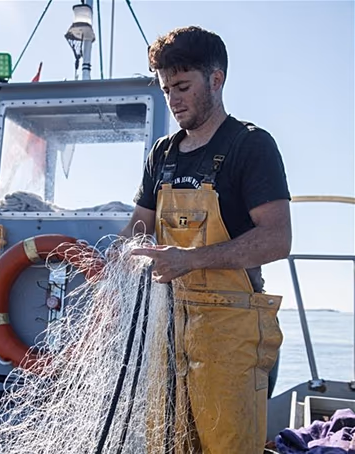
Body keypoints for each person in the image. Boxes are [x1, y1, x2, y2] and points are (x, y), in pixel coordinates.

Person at [118, 26, 291, 453]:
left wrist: (189, 259)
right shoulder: (162, 153)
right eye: (165, 90)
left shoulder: (251, 146)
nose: (173, 100)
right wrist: (107, 260)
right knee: (167, 442)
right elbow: (138, 227)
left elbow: (277, 239)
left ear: (216, 80)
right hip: (170, 328)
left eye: (182, 86)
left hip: (232, 334)